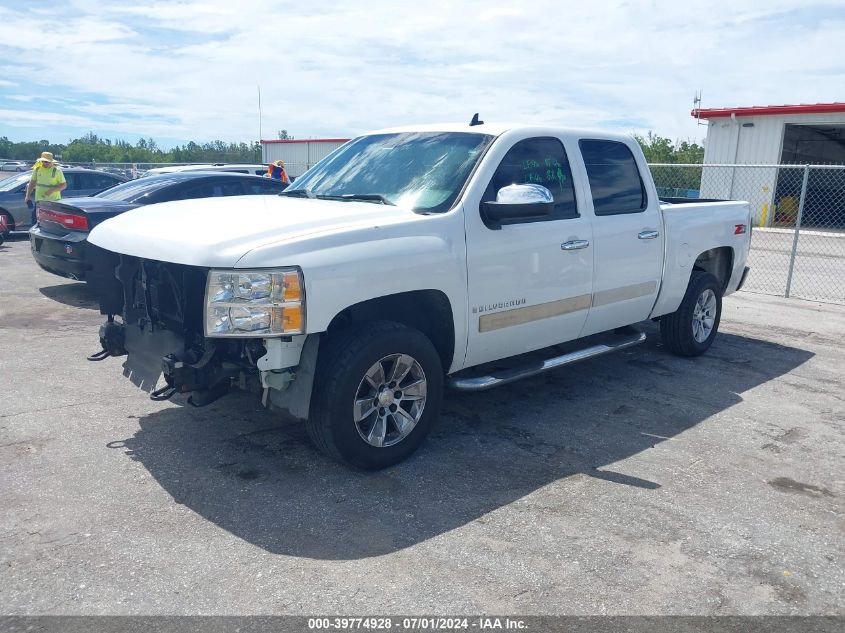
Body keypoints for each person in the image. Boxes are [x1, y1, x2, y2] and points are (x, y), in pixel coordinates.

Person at [24, 152, 67, 226]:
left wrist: (52, 190)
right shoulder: (37, 170)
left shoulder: (57, 171)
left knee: (52, 223)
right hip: (39, 201)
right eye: (43, 161)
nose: (45, 163)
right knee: (36, 222)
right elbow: (32, 183)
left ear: (51, 161)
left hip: (53, 202)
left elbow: (64, 185)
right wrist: (27, 196)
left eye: (47, 161)